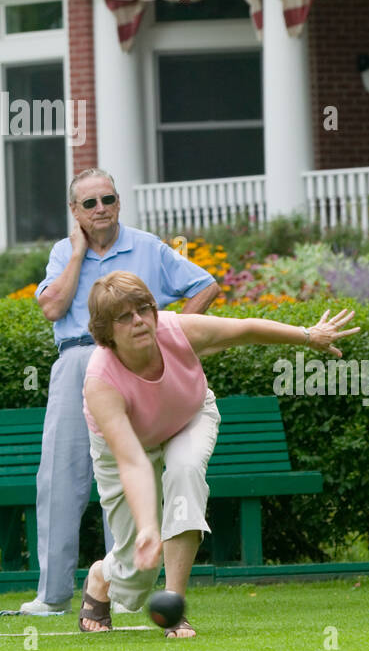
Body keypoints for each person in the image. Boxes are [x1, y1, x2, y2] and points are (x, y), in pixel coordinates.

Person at [79, 270, 359, 636]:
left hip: (187, 418)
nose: (139, 321)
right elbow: (132, 461)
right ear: (106, 331)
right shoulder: (101, 382)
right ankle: (102, 575)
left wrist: (308, 336)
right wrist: (149, 527)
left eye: (144, 309)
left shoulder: (175, 330)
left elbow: (243, 329)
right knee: (135, 572)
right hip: (128, 447)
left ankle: (174, 608)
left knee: (185, 472)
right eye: (124, 316)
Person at [20, 168, 220, 615]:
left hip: (129, 365)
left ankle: (121, 591)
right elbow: (52, 307)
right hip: (77, 361)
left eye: (107, 199)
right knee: (60, 477)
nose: (100, 209)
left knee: (130, 470)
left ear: (118, 202)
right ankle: (51, 596)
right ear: (75, 212)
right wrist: (76, 254)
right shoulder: (61, 253)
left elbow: (206, 284)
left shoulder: (147, 246)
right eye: (88, 204)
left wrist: (172, 336)